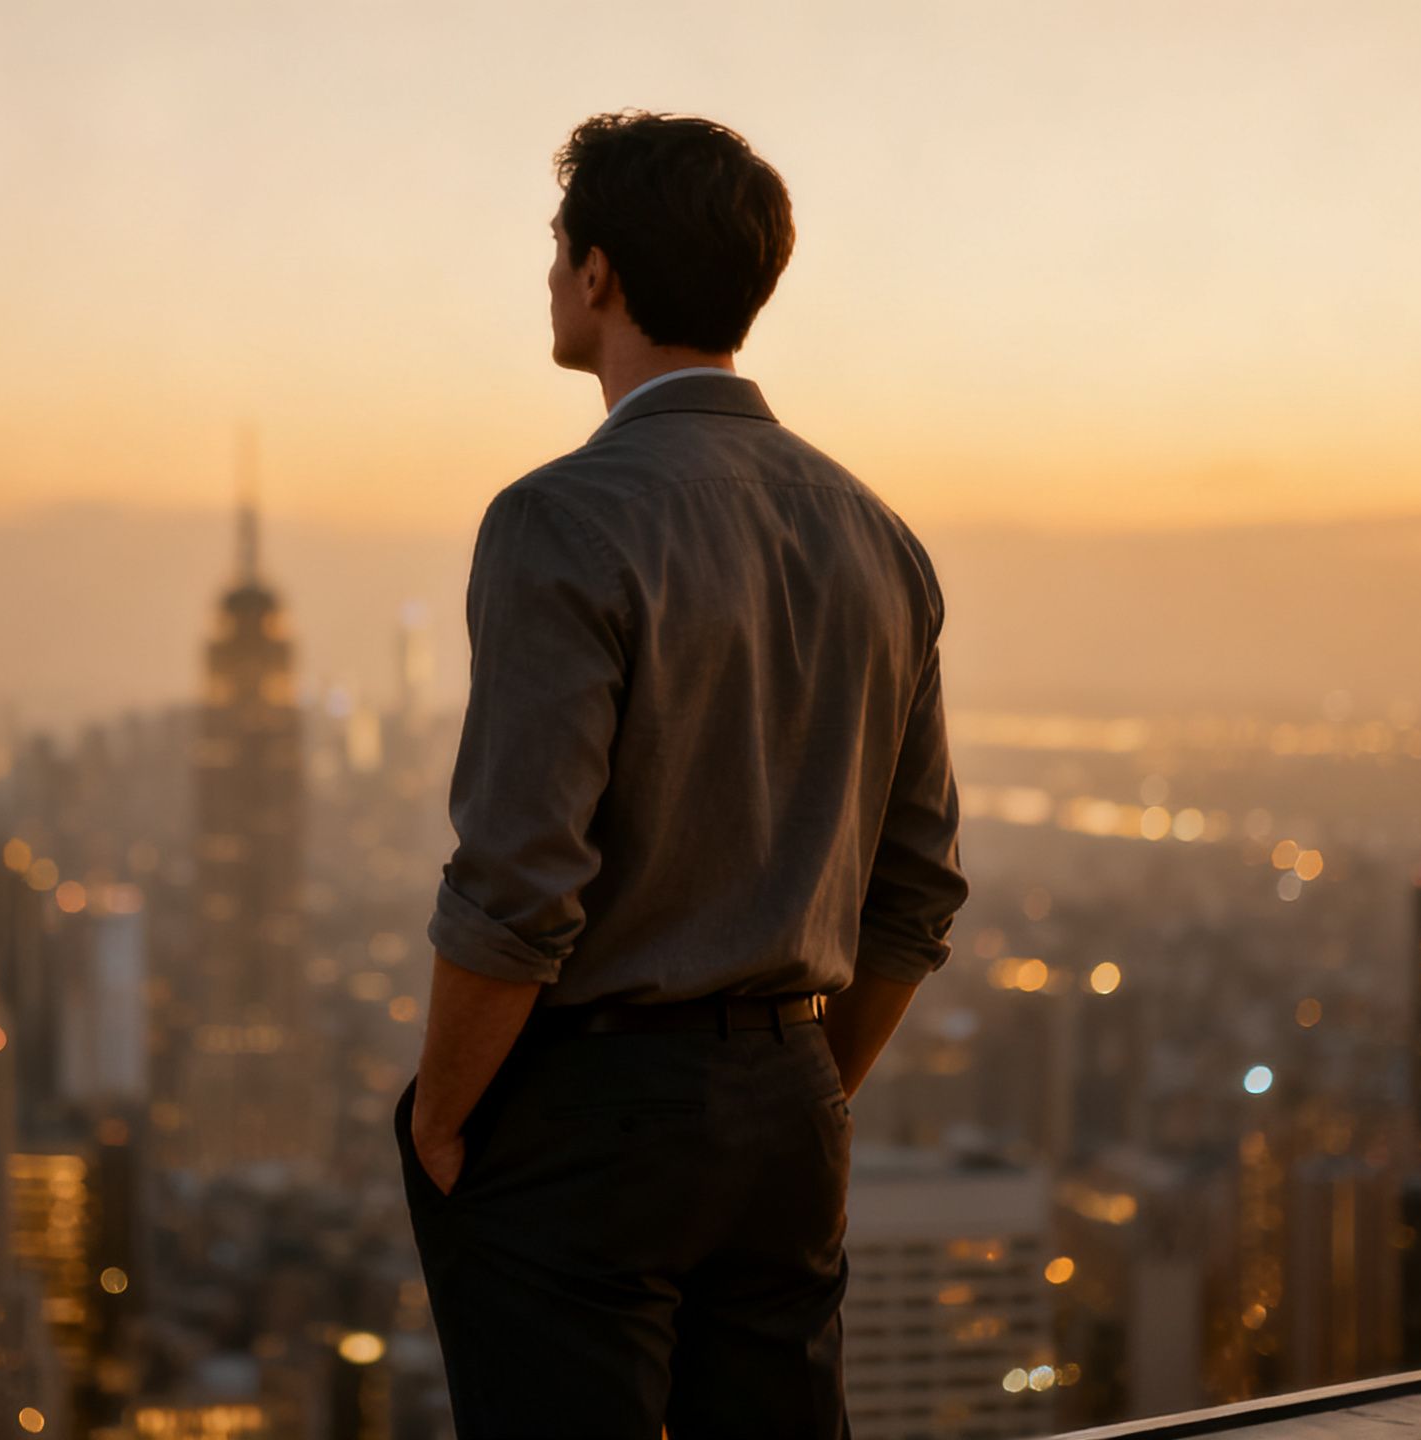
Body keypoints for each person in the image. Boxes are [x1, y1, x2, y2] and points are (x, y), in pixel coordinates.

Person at [395, 109, 969, 1439]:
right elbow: (918, 890)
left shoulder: (559, 519)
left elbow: (519, 881)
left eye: (558, 248)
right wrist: (805, 1084)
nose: (550, 275)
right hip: (790, 1112)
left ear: (598, 274)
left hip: (593, 1113)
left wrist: (438, 1118)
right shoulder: (879, 539)